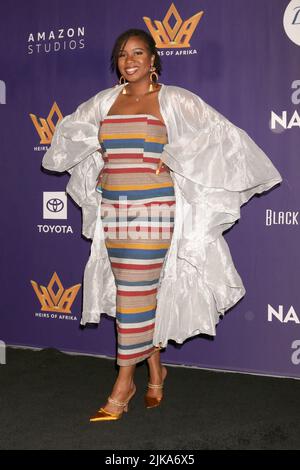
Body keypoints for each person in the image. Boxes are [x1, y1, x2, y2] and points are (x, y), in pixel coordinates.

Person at [42, 28, 282, 422]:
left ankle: (124, 383)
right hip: (115, 212)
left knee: (134, 292)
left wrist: (174, 159)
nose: (129, 59)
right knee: (133, 293)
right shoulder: (105, 102)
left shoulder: (172, 99)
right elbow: (69, 137)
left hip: (154, 210)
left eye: (138, 52)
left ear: (153, 60)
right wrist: (100, 161)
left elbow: (218, 138)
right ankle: (156, 370)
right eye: (122, 54)